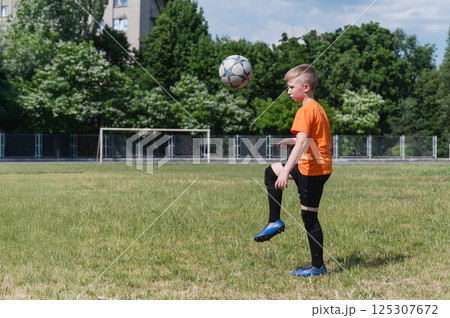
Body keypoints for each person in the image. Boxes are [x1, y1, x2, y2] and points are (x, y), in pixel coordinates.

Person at [254, 64, 333, 277]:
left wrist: (286, 170)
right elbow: (306, 139)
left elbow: (301, 145)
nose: (288, 92)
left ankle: (318, 266)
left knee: (309, 217)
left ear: (305, 87)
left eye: (291, 87)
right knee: (270, 172)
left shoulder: (304, 110)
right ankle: (274, 221)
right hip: (311, 163)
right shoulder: (316, 107)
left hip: (313, 170)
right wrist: (292, 140)